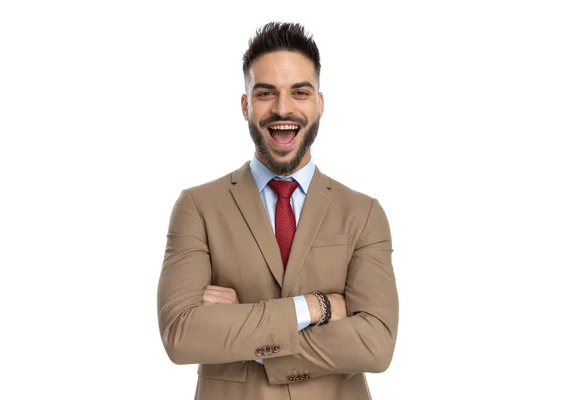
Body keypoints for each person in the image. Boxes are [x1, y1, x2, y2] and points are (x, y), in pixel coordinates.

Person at [157, 21, 399, 400]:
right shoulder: (197, 207)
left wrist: (238, 332)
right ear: (246, 105)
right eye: (266, 93)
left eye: (299, 92)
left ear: (319, 103)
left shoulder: (363, 214)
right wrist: (315, 306)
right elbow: (181, 335)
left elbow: (376, 344)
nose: (282, 108)